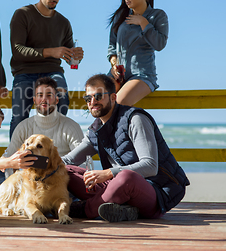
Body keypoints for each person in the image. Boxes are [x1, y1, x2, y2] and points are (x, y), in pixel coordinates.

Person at [62, 74, 189, 222]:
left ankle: (79, 210)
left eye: (98, 96)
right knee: (63, 170)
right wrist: (35, 164)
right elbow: (68, 160)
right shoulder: (95, 131)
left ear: (113, 97)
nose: (92, 102)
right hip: (116, 187)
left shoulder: (135, 119)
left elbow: (150, 166)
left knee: (126, 177)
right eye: (88, 98)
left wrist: (108, 173)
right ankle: (123, 209)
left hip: (156, 192)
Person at [9, 0, 84, 139]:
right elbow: (17, 50)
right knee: (19, 116)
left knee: (61, 100)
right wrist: (50, 51)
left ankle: (55, 151)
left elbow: (69, 55)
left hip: (53, 72)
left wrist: (76, 55)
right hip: (24, 72)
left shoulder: (64, 23)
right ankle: (14, 161)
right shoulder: (22, 14)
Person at [0, 76, 84, 189]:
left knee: (75, 177)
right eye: (40, 95)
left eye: (49, 95)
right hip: (30, 180)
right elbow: (9, 157)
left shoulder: (71, 126)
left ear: (57, 100)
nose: (44, 99)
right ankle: (23, 195)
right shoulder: (24, 126)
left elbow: (82, 163)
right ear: (34, 100)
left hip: (58, 179)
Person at [107, 0, 169, 106]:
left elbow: (160, 44)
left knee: (117, 103)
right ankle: (96, 128)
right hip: (118, 75)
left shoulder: (158, 15)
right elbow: (112, 44)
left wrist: (143, 23)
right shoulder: (121, 16)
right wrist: (114, 64)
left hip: (142, 76)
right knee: (98, 98)